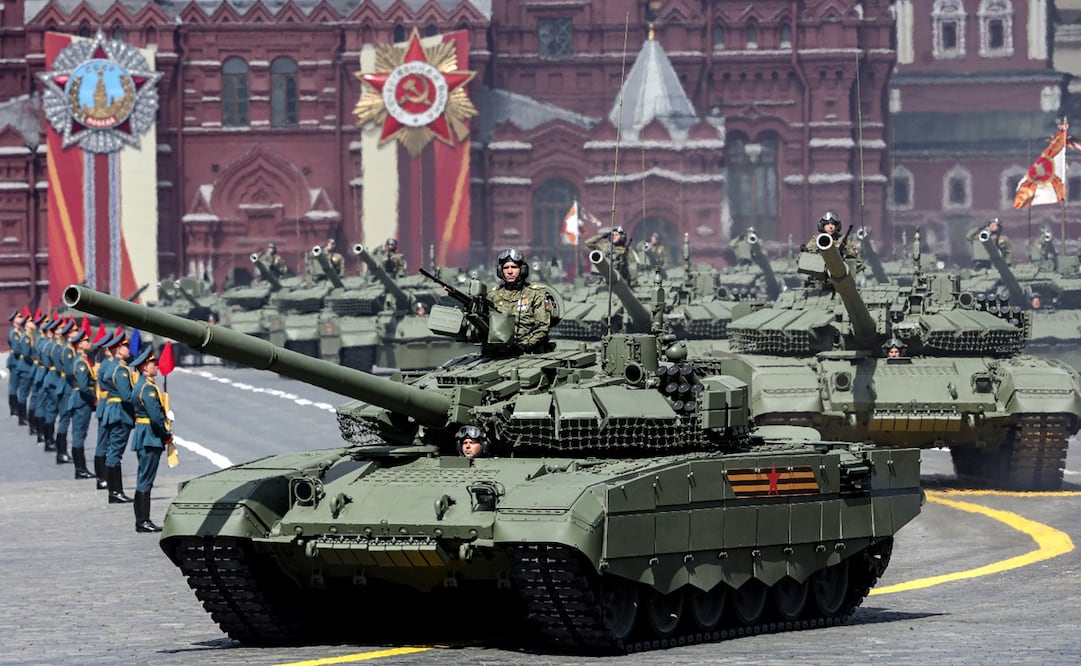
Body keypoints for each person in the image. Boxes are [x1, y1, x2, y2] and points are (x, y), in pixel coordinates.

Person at [130, 345, 172, 533]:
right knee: (146, 479)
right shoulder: (148, 389)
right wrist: (166, 434)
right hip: (149, 436)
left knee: (143, 477)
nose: (156, 366)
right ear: (145, 367)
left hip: (144, 433)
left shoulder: (143, 385)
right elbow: (155, 417)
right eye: (153, 364)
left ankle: (142, 520)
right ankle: (142, 521)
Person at [486, 248, 553, 353]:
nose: (509, 271)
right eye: (506, 268)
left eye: (514, 267)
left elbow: (542, 326)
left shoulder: (536, 294)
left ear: (522, 269)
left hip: (529, 353)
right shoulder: (493, 296)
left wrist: (524, 345)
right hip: (498, 353)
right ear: (500, 271)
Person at [101, 331, 135, 504]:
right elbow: (127, 396)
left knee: (113, 450)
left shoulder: (112, 366)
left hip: (113, 409)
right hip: (120, 412)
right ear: (118, 350)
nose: (129, 349)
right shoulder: (120, 370)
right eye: (126, 346)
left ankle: (114, 491)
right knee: (115, 452)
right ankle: (115, 491)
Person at [67, 329, 97, 480]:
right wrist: (94, 399)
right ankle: (80, 469)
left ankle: (81, 468)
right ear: (79, 344)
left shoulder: (83, 360)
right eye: (86, 340)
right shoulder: (81, 363)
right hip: (81, 401)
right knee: (79, 435)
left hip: (80, 400)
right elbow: (84, 387)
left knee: (80, 434)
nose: (89, 343)